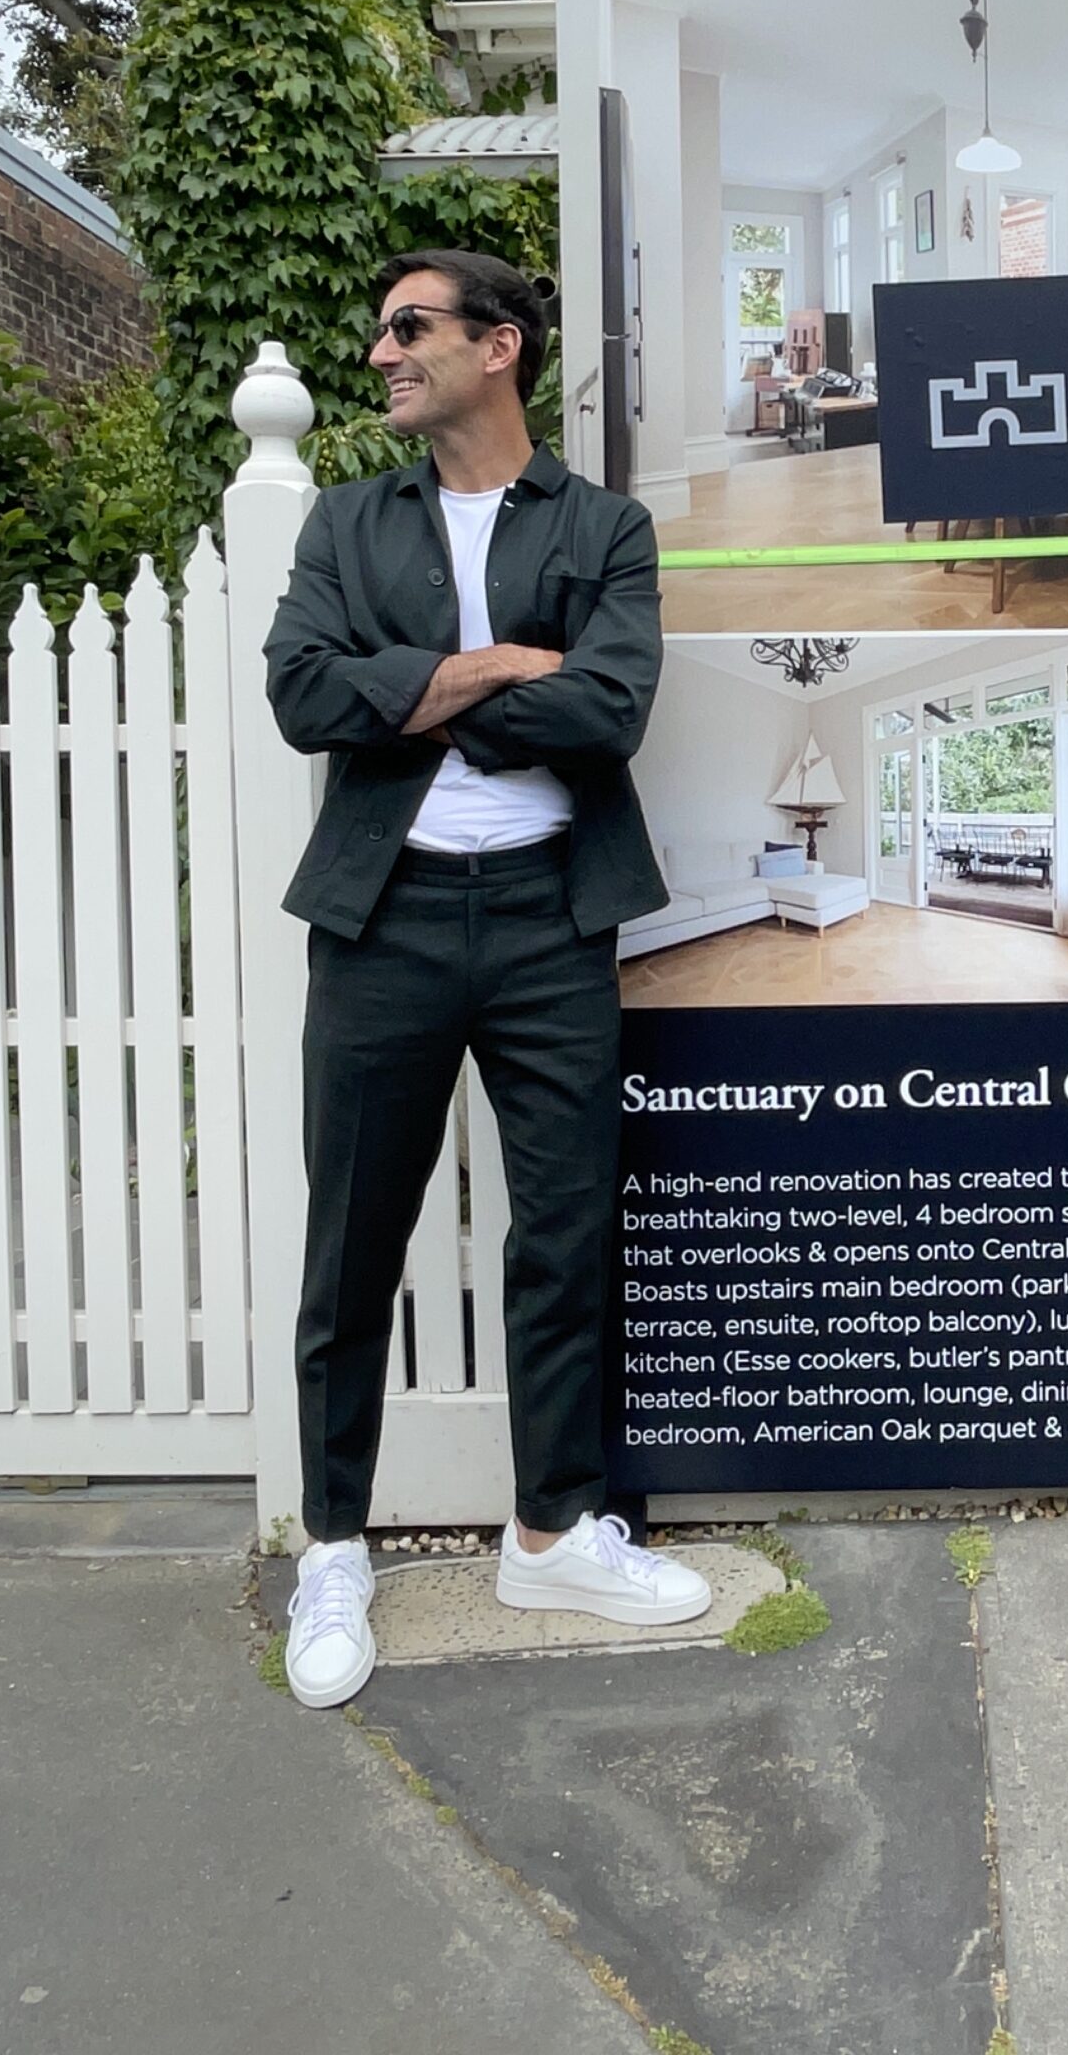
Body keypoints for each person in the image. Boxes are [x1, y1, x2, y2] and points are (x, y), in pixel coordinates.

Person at [264, 248, 709, 1709]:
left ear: (497, 347)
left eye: (409, 329)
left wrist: (414, 685)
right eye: (381, 333)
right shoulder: (347, 520)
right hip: (383, 920)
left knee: (565, 1232)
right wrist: (488, 669)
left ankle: (553, 1528)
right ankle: (336, 1544)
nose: (382, 353)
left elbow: (612, 707)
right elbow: (303, 694)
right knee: (355, 1246)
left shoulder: (605, 525)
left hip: (547, 920)